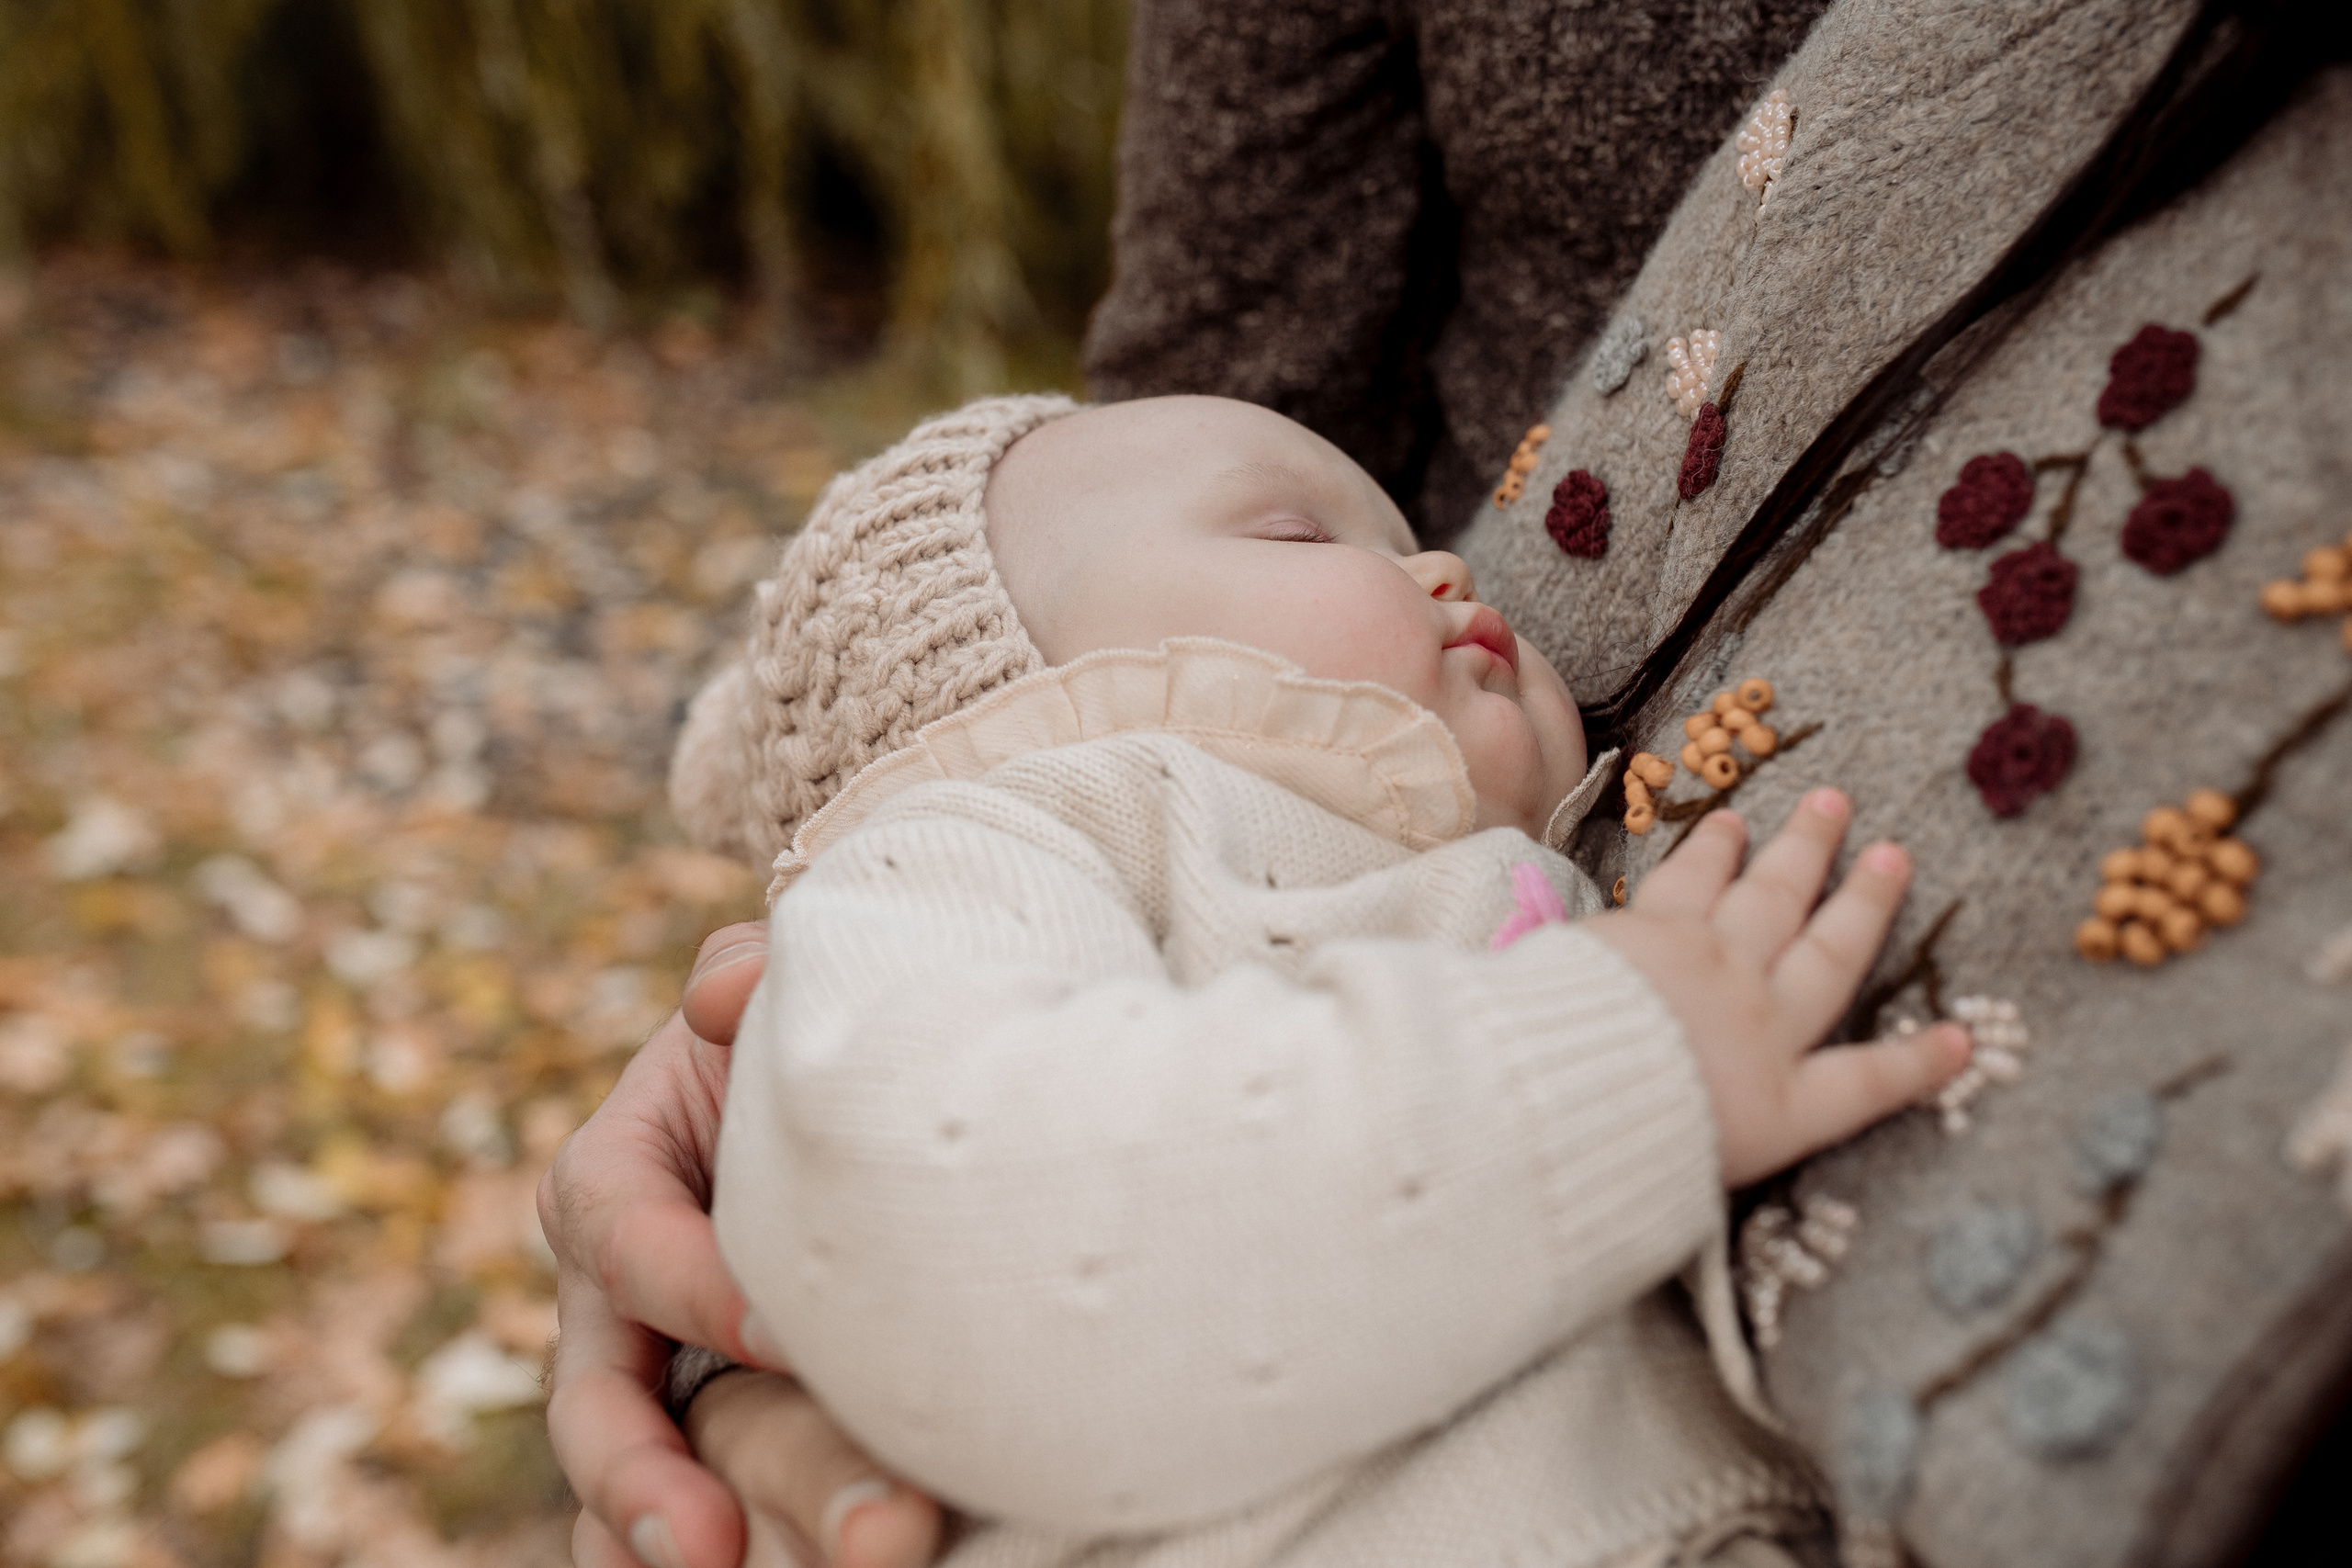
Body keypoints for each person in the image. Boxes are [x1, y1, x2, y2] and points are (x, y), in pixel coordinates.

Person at [566, 388, 1969, 1567]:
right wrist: (1613, 1058)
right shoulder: (969, 854)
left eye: (1408, 536)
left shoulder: (1455, 880)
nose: (1449, 568)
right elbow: (969, 1200)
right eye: (1299, 532)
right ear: (1018, 699)